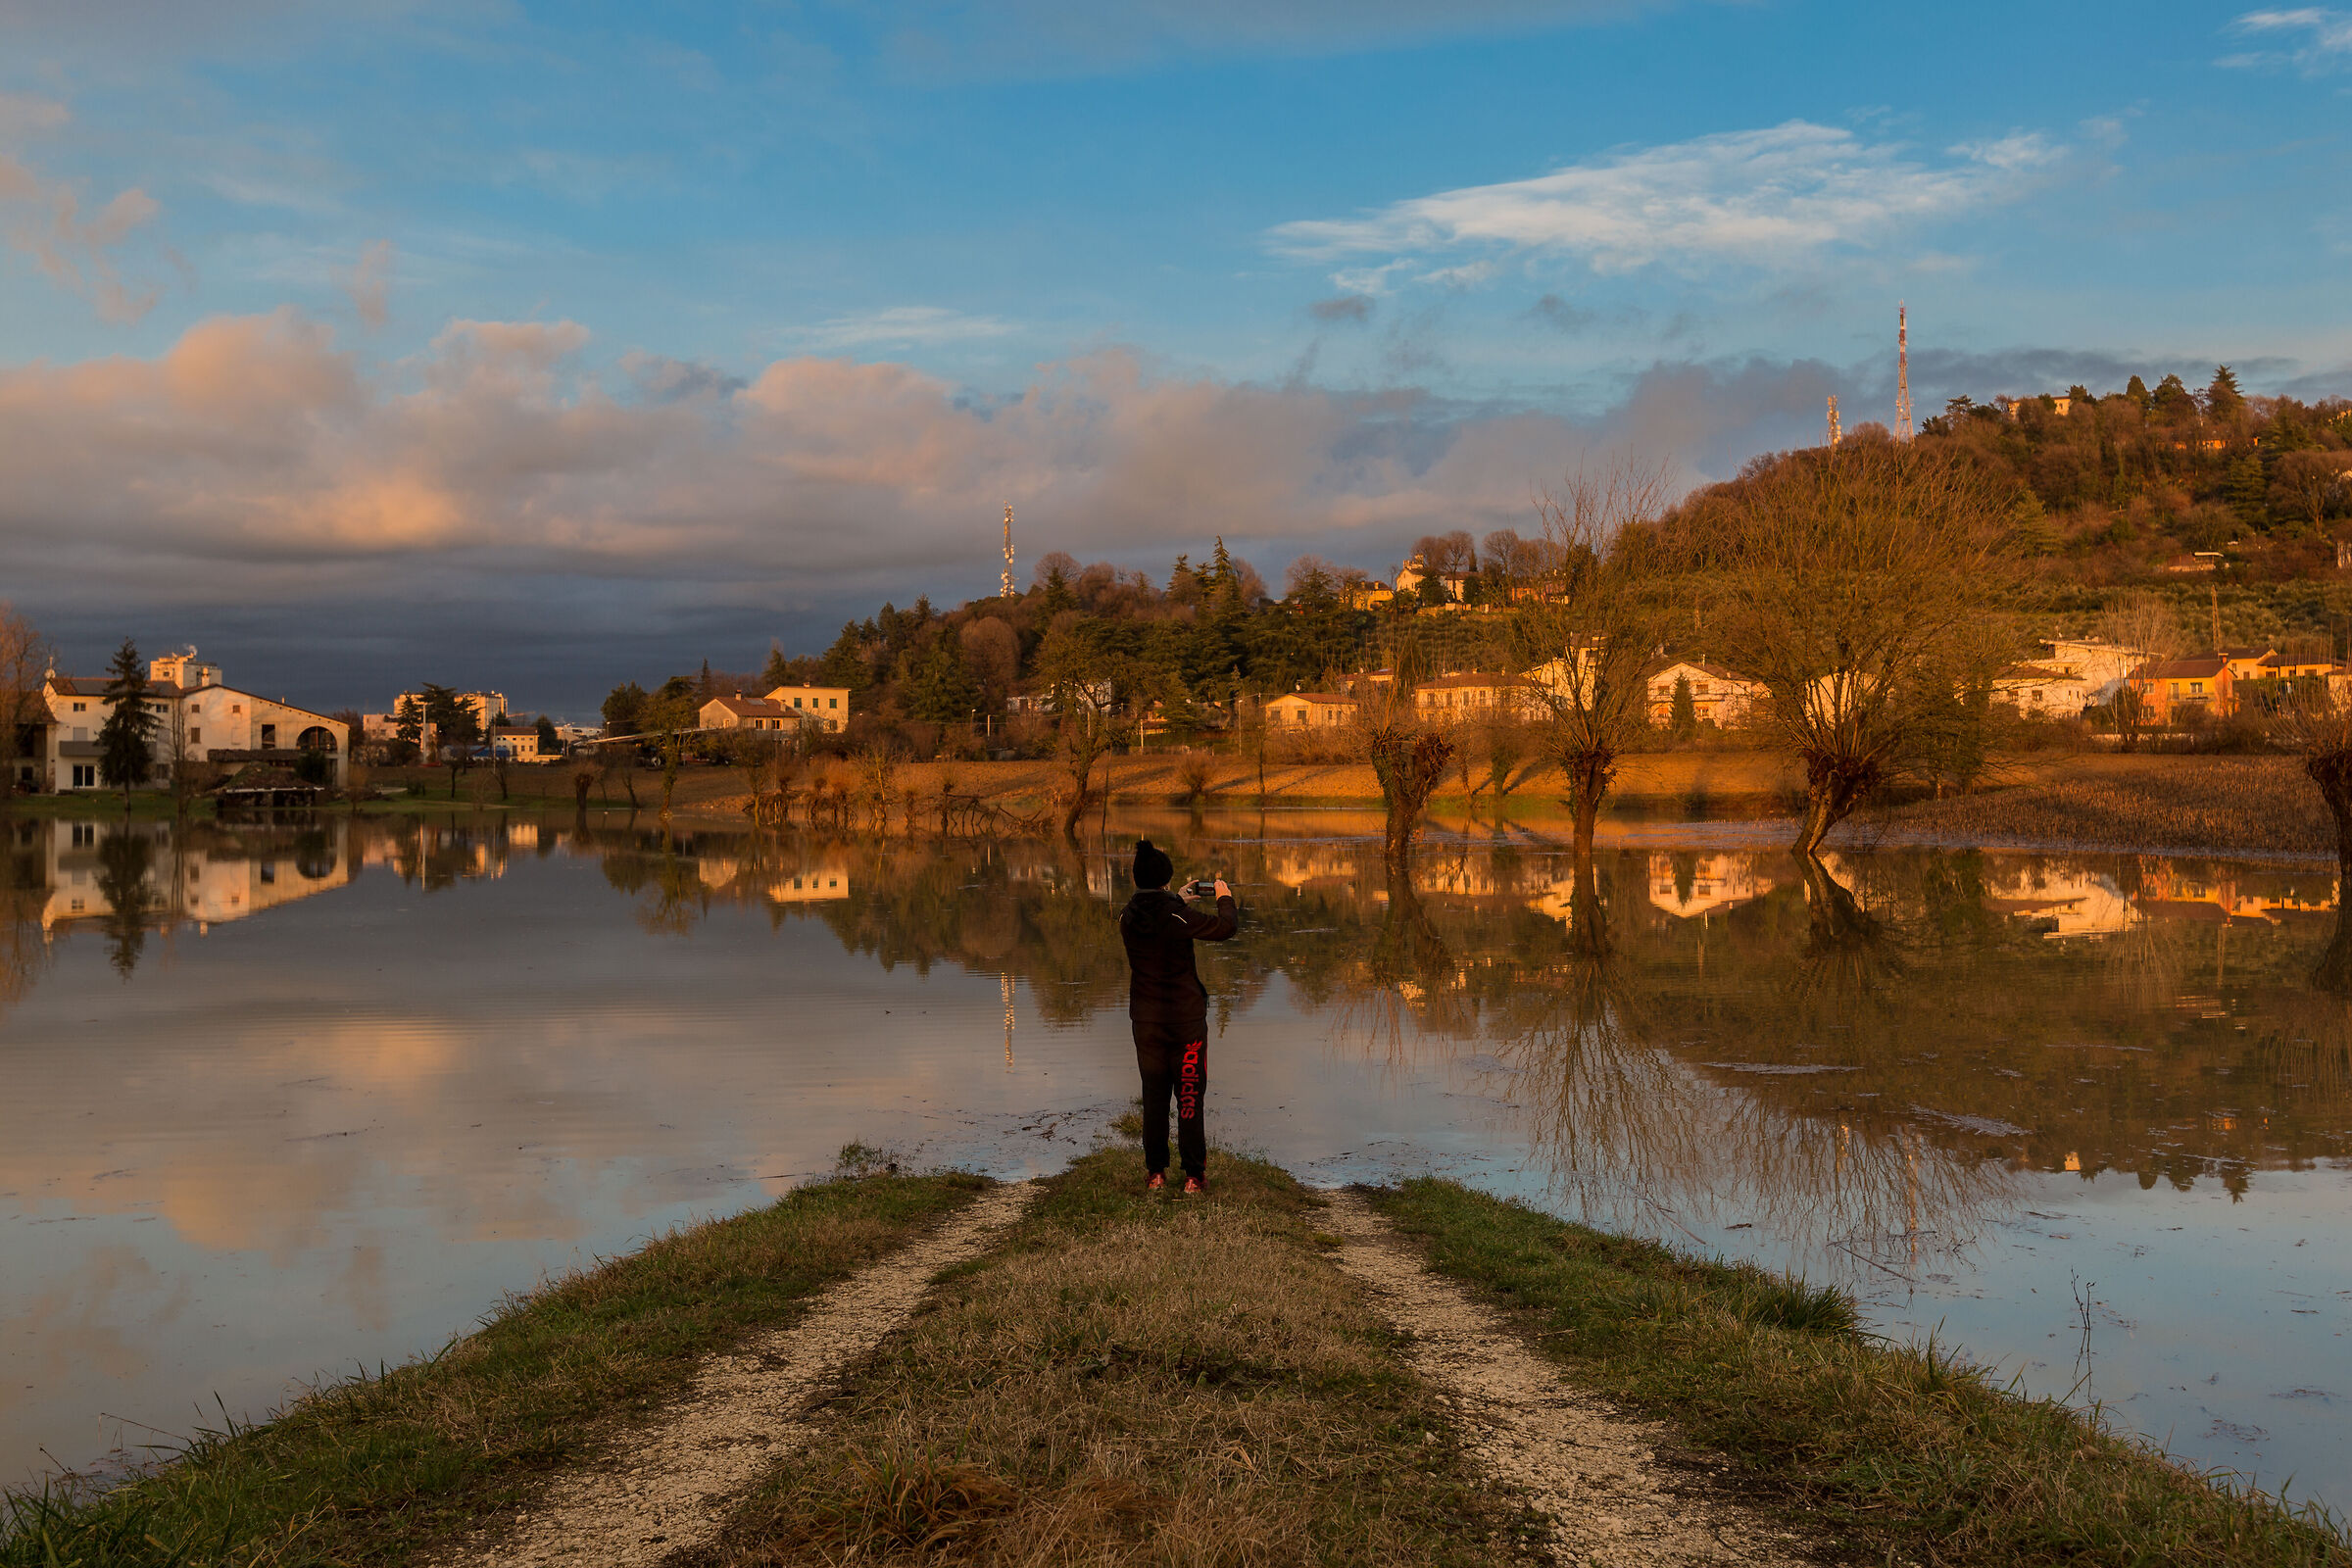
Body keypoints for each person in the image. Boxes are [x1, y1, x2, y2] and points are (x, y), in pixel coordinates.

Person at [1118, 838, 1237, 1194]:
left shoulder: (1127, 915)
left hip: (1146, 1021)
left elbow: (1157, 914)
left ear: (1138, 879)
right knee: (1188, 1094)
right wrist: (1223, 896)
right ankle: (1193, 1176)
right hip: (1184, 1020)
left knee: (1154, 1094)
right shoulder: (1177, 916)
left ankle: (1156, 1173)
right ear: (1167, 880)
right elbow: (1226, 928)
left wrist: (1177, 899)